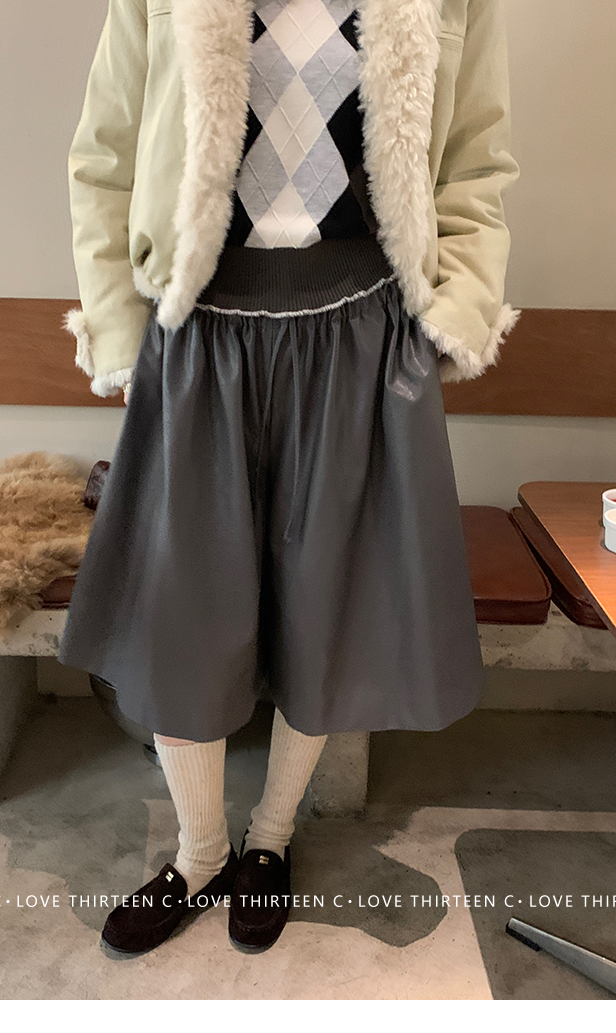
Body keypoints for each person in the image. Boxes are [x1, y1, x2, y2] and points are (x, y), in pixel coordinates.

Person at [58, 0, 519, 956]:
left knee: (327, 604)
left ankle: (269, 838)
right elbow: (104, 155)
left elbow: (477, 162)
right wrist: (118, 331)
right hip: (201, 333)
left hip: (361, 334)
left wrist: (455, 311)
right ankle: (199, 852)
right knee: (184, 614)